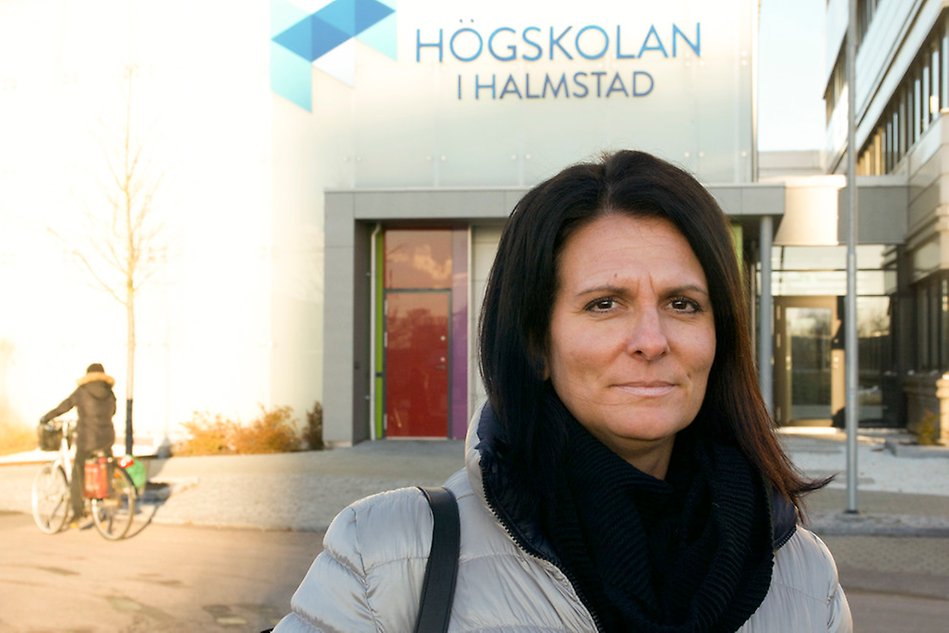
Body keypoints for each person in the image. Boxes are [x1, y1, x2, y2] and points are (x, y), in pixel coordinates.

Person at [274, 150, 852, 632]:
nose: (652, 340)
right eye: (605, 304)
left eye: (683, 304)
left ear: (718, 335)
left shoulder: (805, 578)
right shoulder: (389, 556)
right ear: (535, 344)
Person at [40, 362, 117, 526]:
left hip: (87, 439)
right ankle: (105, 497)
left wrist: (47, 417)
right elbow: (113, 411)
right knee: (105, 467)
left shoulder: (83, 391)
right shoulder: (109, 392)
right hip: (107, 438)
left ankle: (77, 513)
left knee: (78, 473)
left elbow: (65, 406)